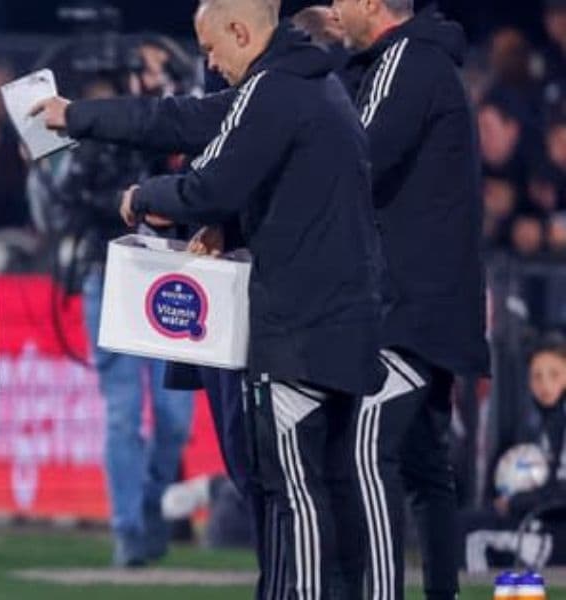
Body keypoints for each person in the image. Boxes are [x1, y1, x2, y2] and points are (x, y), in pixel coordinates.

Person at [33, 0, 385, 596]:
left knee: (292, 496)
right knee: (313, 493)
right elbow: (182, 121)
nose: (211, 65)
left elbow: (207, 182)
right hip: (336, 327)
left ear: (242, 32)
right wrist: (80, 116)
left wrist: (144, 195)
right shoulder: (308, 85)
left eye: (213, 50)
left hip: (298, 334)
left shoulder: (273, 89)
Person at [332, 2, 491, 597]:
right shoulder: (420, 60)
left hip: (409, 308)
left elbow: (355, 156)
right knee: (427, 469)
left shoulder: (407, 60)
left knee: (365, 451)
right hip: (435, 303)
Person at [45, 71, 196, 567]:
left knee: (175, 419)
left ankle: (149, 504)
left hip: (163, 277)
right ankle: (128, 528)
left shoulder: (162, 132)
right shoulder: (85, 153)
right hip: (108, 279)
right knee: (122, 414)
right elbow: (62, 207)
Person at [459, 341, 566, 572]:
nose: (544, 384)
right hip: (532, 519)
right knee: (466, 520)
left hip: (553, 530)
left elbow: (561, 490)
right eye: (536, 376)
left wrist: (515, 503)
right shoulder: (536, 424)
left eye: (554, 374)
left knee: (467, 534)